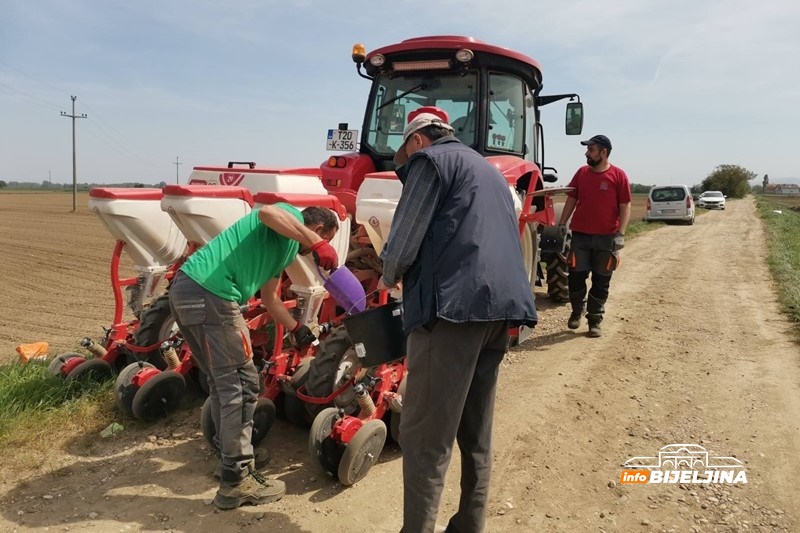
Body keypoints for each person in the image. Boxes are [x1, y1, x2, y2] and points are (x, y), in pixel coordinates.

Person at [378, 106, 537, 533]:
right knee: (475, 429)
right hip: (498, 312)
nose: (407, 166)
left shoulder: (429, 162)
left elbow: (402, 243)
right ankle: (470, 524)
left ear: (417, 140)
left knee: (424, 437)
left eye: (405, 157)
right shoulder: (489, 173)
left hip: (450, 313)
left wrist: (383, 277)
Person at [169, 202, 339, 510]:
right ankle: (236, 480)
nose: (312, 253)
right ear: (318, 229)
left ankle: (231, 459)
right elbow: (266, 213)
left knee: (224, 383)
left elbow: (269, 298)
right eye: (325, 237)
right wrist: (317, 243)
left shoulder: (284, 249)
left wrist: (296, 328)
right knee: (242, 384)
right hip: (213, 296)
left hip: (188, 291)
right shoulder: (289, 216)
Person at [557, 134, 631, 338]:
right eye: (588, 149)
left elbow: (625, 206)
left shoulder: (618, 176)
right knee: (575, 278)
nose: (586, 153)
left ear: (603, 152)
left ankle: (595, 320)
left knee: (601, 281)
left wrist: (620, 235)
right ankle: (576, 311)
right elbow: (572, 199)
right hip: (580, 237)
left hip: (606, 239)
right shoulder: (581, 173)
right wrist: (563, 223)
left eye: (591, 150)